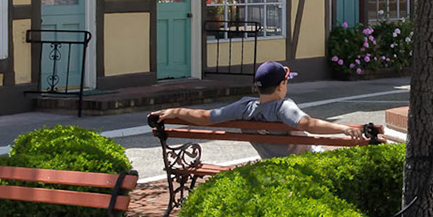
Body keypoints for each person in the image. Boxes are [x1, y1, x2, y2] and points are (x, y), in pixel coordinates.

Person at [149, 62, 380, 155]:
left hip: (270, 166)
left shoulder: (244, 108)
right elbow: (308, 123)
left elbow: (206, 116)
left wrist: (175, 112)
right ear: (281, 85)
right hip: (306, 163)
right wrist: (344, 129)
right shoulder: (283, 107)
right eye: (286, 81)